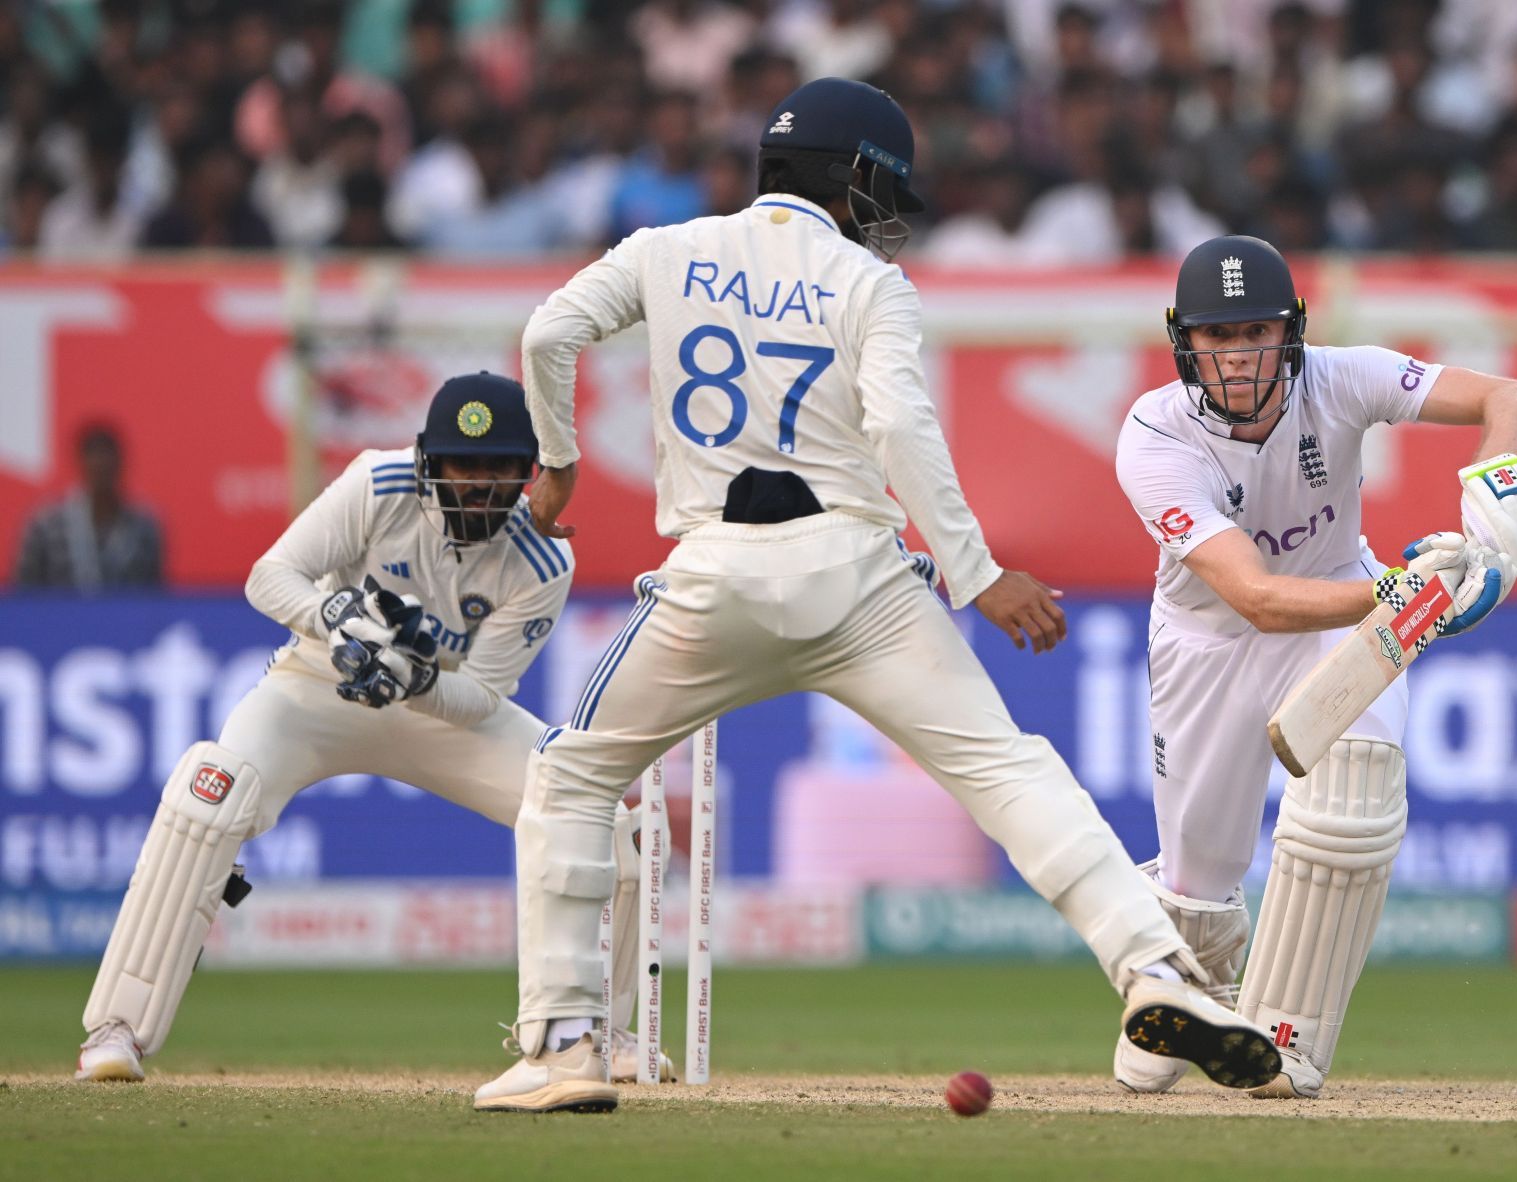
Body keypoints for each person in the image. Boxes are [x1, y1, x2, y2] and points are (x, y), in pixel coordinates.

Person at [475, 78, 1281, 1113]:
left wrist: (558, 465)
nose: (886, 212)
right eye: (882, 187)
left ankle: (566, 1045)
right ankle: (1154, 973)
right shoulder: (868, 283)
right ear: (852, 177)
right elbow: (902, 427)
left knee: (572, 778)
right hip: (858, 575)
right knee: (1012, 774)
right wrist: (978, 574)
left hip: (711, 574)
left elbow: (548, 335)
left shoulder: (662, 252)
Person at [75, 375, 661, 1084]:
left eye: (499, 469)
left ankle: (596, 1031)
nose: (479, 486)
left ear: (526, 474)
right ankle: (117, 1029)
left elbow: (479, 695)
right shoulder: (378, 484)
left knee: (597, 817)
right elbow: (272, 576)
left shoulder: (542, 559)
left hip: (434, 705)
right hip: (318, 686)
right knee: (212, 792)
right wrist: (338, 621)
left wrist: (412, 679)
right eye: (464, 467)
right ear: (428, 463)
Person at [1111, 235, 1517, 1098]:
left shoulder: (1341, 376)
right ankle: (1181, 984)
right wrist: (1409, 591)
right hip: (1211, 644)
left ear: (1293, 333)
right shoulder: (1153, 437)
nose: (1239, 355)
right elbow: (1257, 598)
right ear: (1183, 343)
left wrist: (1497, 479)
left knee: (1354, 800)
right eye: (1218, 336)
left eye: (1258, 332)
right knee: (1198, 900)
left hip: (1342, 607)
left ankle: (1288, 1044)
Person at [14, 422, 164, 590]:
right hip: (58, 614)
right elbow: (24, 591)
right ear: (81, 462)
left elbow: (154, 592)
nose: (101, 467)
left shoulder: (143, 527)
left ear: (120, 463)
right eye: (94, 460)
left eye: (107, 461)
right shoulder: (47, 524)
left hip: (125, 615)